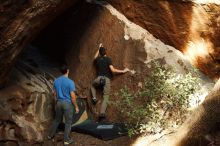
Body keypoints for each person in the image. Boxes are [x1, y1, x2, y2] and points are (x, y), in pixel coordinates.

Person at [91, 43, 129, 121]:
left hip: (98, 78)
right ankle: (102, 113)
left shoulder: (97, 60)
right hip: (106, 80)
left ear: (100, 53)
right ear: (106, 53)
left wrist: (98, 49)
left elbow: (94, 57)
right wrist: (123, 71)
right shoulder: (108, 59)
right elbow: (113, 70)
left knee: (92, 85)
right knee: (106, 96)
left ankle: (94, 97)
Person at [48, 65, 79, 145]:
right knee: (68, 122)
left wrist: (56, 103)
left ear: (61, 71)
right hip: (67, 104)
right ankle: (66, 140)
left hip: (58, 103)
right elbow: (73, 97)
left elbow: (54, 94)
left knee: (57, 120)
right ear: (68, 71)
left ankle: (50, 135)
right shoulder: (70, 82)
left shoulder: (56, 81)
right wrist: (76, 106)